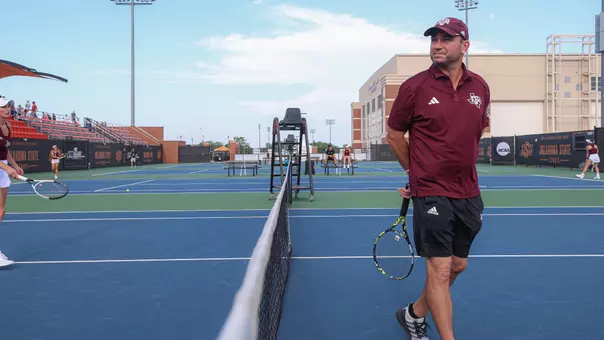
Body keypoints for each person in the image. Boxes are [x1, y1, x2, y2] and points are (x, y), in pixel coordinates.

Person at [386, 17, 490, 340]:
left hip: (468, 191)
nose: (437, 44)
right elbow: (393, 134)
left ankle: (414, 313)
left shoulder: (480, 88)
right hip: (430, 191)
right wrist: (414, 172)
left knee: (457, 266)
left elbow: (477, 131)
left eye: (446, 38)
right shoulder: (414, 87)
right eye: (434, 39)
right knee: (439, 269)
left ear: (465, 45)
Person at [0, 97, 25, 267]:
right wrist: (7, 169)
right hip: (1, 168)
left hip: (3, 168)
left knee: (1, 211)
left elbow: (5, 151)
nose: (8, 109)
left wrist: (14, 166)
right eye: (4, 107)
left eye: (9, 106)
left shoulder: (8, 126)